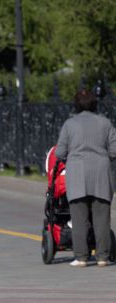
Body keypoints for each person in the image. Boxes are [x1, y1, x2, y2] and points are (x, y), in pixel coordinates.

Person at [55, 89, 116, 267]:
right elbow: (114, 150)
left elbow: (59, 152)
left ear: (76, 105)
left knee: (79, 218)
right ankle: (103, 257)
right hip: (101, 174)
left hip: (77, 175)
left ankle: (81, 257)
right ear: (94, 104)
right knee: (102, 218)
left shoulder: (69, 124)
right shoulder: (105, 123)